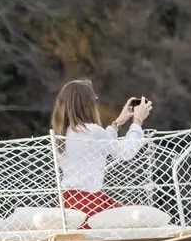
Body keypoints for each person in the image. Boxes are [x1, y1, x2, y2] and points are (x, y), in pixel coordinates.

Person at [50, 79, 152, 220]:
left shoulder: (63, 134)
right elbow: (126, 152)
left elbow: (99, 144)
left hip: (69, 202)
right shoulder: (91, 131)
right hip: (90, 203)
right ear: (86, 104)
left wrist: (118, 121)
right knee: (142, 214)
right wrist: (138, 121)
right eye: (94, 100)